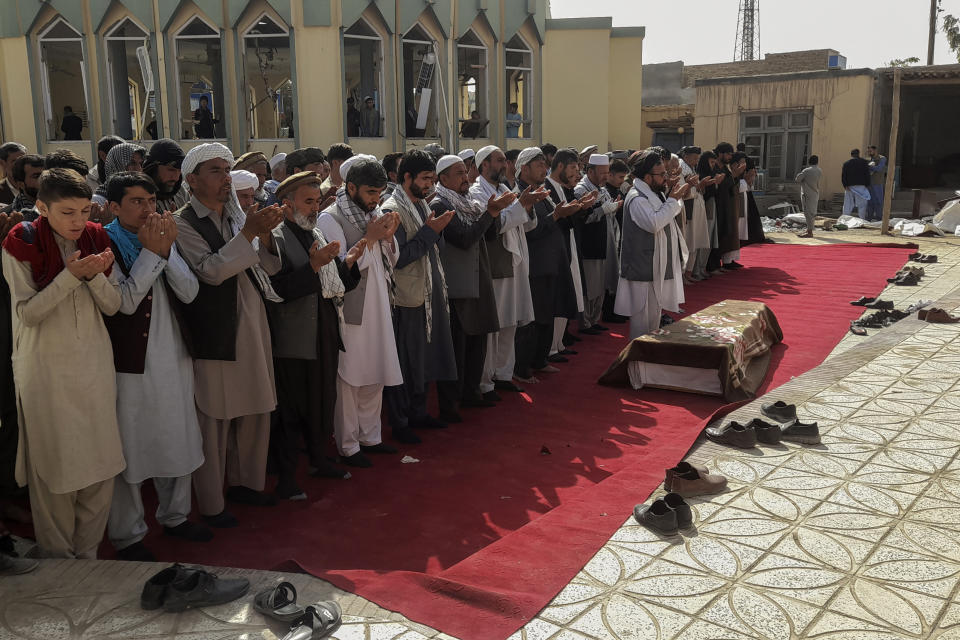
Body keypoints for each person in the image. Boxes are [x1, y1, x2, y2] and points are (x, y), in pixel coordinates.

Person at [2, 168, 122, 557]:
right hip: (45, 369)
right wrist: (71, 277)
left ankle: (87, 558)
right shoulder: (21, 242)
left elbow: (114, 305)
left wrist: (93, 277)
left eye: (85, 210)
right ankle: (59, 563)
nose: (77, 221)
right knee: (55, 469)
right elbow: (29, 315)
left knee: (101, 464)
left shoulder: (97, 238)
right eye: (67, 212)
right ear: (41, 207)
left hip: (94, 365)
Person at [173, 143, 284, 527]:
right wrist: (250, 233)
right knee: (215, 415)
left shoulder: (238, 216)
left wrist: (265, 234)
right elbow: (210, 271)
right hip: (216, 326)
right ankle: (212, 502)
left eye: (226, 169)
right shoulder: (182, 222)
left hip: (252, 319)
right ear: (192, 180)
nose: (224, 178)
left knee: (255, 406)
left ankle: (247, 485)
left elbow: (269, 267)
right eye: (215, 171)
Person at [100, 172, 210, 561]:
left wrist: (164, 251)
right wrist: (152, 252)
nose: (148, 209)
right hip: (128, 366)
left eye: (151, 201)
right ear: (114, 207)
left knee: (176, 433)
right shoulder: (103, 242)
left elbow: (190, 290)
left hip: (173, 355)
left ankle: (176, 516)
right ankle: (128, 535)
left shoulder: (163, 236)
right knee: (130, 444)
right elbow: (125, 303)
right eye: (136, 202)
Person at [267, 172, 364, 497]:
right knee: (291, 412)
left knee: (323, 401)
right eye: (307, 202)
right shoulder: (275, 238)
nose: (313, 209)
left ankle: (319, 460)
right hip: (294, 338)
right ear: (286, 204)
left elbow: (339, 281)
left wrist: (350, 262)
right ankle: (287, 478)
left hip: (323, 330)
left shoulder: (317, 234)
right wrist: (312, 268)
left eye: (316, 201)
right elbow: (276, 290)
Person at [315, 158, 402, 468]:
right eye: (369, 192)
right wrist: (373, 236)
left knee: (374, 371)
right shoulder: (330, 218)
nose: (375, 198)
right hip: (350, 309)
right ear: (350, 187)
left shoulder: (374, 212)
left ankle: (371, 437)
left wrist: (389, 238)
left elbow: (391, 259)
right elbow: (342, 268)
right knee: (349, 378)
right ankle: (348, 445)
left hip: (378, 304)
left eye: (379, 192)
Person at [381, 151, 457, 442]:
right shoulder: (391, 209)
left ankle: (419, 413)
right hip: (406, 298)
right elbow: (399, 259)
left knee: (422, 359)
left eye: (432, 180)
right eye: (425, 179)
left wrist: (432, 231)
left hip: (427, 292)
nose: (429, 185)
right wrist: (429, 233)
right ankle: (400, 423)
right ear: (407, 177)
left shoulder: (422, 205)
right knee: (406, 362)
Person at [435, 154, 515, 414]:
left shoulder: (469, 202)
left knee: (477, 340)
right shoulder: (440, 204)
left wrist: (493, 213)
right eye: (458, 173)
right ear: (443, 178)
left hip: (478, 280)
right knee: (457, 346)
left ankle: (471, 391)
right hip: (457, 286)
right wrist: (489, 213)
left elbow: (488, 235)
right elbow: (464, 237)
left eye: (465, 171)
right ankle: (451, 402)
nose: (465, 177)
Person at [472, 146, 546, 400]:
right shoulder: (477, 192)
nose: (505, 165)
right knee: (494, 327)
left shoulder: (505, 190)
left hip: (515, 264)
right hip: (496, 266)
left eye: (505, 161)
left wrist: (529, 205)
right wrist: (521, 206)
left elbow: (527, 225)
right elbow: (496, 225)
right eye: (499, 161)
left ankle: (503, 375)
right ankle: (485, 381)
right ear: (484, 165)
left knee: (510, 323)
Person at [516, 148, 583, 383]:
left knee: (547, 313)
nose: (545, 170)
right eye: (539, 166)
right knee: (533, 318)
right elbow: (529, 229)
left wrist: (571, 210)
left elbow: (553, 217)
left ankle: (540, 360)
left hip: (551, 261)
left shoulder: (541, 190)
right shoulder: (520, 193)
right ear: (524, 169)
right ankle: (523, 367)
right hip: (535, 265)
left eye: (545, 165)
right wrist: (556, 215)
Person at [615, 150, 691, 339]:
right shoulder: (637, 198)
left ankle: (647, 362)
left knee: (653, 323)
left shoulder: (651, 193)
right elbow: (654, 223)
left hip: (654, 267)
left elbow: (665, 212)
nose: (665, 178)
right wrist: (673, 199)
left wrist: (671, 196)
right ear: (648, 177)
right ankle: (637, 364)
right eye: (662, 174)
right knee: (642, 324)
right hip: (643, 268)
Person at [575, 153, 620, 331]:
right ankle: (585, 323)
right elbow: (583, 218)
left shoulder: (602, 190)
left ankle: (595, 320)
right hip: (590, 244)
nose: (605, 177)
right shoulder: (581, 190)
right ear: (590, 171)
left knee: (601, 285)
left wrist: (613, 208)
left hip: (605, 243)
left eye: (607, 173)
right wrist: (603, 209)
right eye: (602, 173)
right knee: (590, 287)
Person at [601, 159, 629, 324]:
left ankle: (617, 309)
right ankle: (609, 312)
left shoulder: (620, 190)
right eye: (620, 177)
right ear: (610, 175)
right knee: (611, 277)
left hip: (620, 236)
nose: (622, 181)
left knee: (618, 276)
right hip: (611, 238)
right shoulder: (606, 191)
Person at [678, 147, 709, 282]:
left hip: (697, 206)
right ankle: (684, 274)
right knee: (689, 240)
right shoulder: (682, 168)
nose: (696, 161)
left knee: (695, 240)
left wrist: (702, 185)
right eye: (694, 158)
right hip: (689, 208)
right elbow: (683, 190)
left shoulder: (691, 168)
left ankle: (689, 273)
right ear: (686, 157)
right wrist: (695, 185)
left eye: (697, 158)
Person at [144, 139, 189, 213]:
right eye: (171, 170)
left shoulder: (181, 192)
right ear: (153, 168)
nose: (176, 178)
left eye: (179, 171)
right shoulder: (138, 194)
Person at [795, 155, 822, 238]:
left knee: (808, 213)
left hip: (807, 194)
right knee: (812, 212)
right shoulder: (819, 170)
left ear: (809, 161)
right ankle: (809, 230)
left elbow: (798, 179)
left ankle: (809, 232)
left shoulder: (806, 170)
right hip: (815, 193)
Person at [841, 149, 872, 219]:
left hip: (849, 186)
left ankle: (845, 219)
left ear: (851, 155)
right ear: (858, 154)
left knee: (848, 204)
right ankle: (862, 219)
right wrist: (867, 184)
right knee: (862, 205)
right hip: (861, 186)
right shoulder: (864, 162)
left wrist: (845, 185)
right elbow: (867, 174)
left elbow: (843, 176)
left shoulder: (846, 163)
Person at [867, 145, 887, 222]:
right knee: (870, 202)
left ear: (875, 151)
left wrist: (869, 167)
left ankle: (879, 218)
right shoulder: (869, 159)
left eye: (870, 151)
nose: (869, 153)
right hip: (870, 183)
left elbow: (879, 168)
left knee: (878, 201)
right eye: (868, 151)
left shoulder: (882, 158)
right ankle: (869, 218)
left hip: (878, 183)